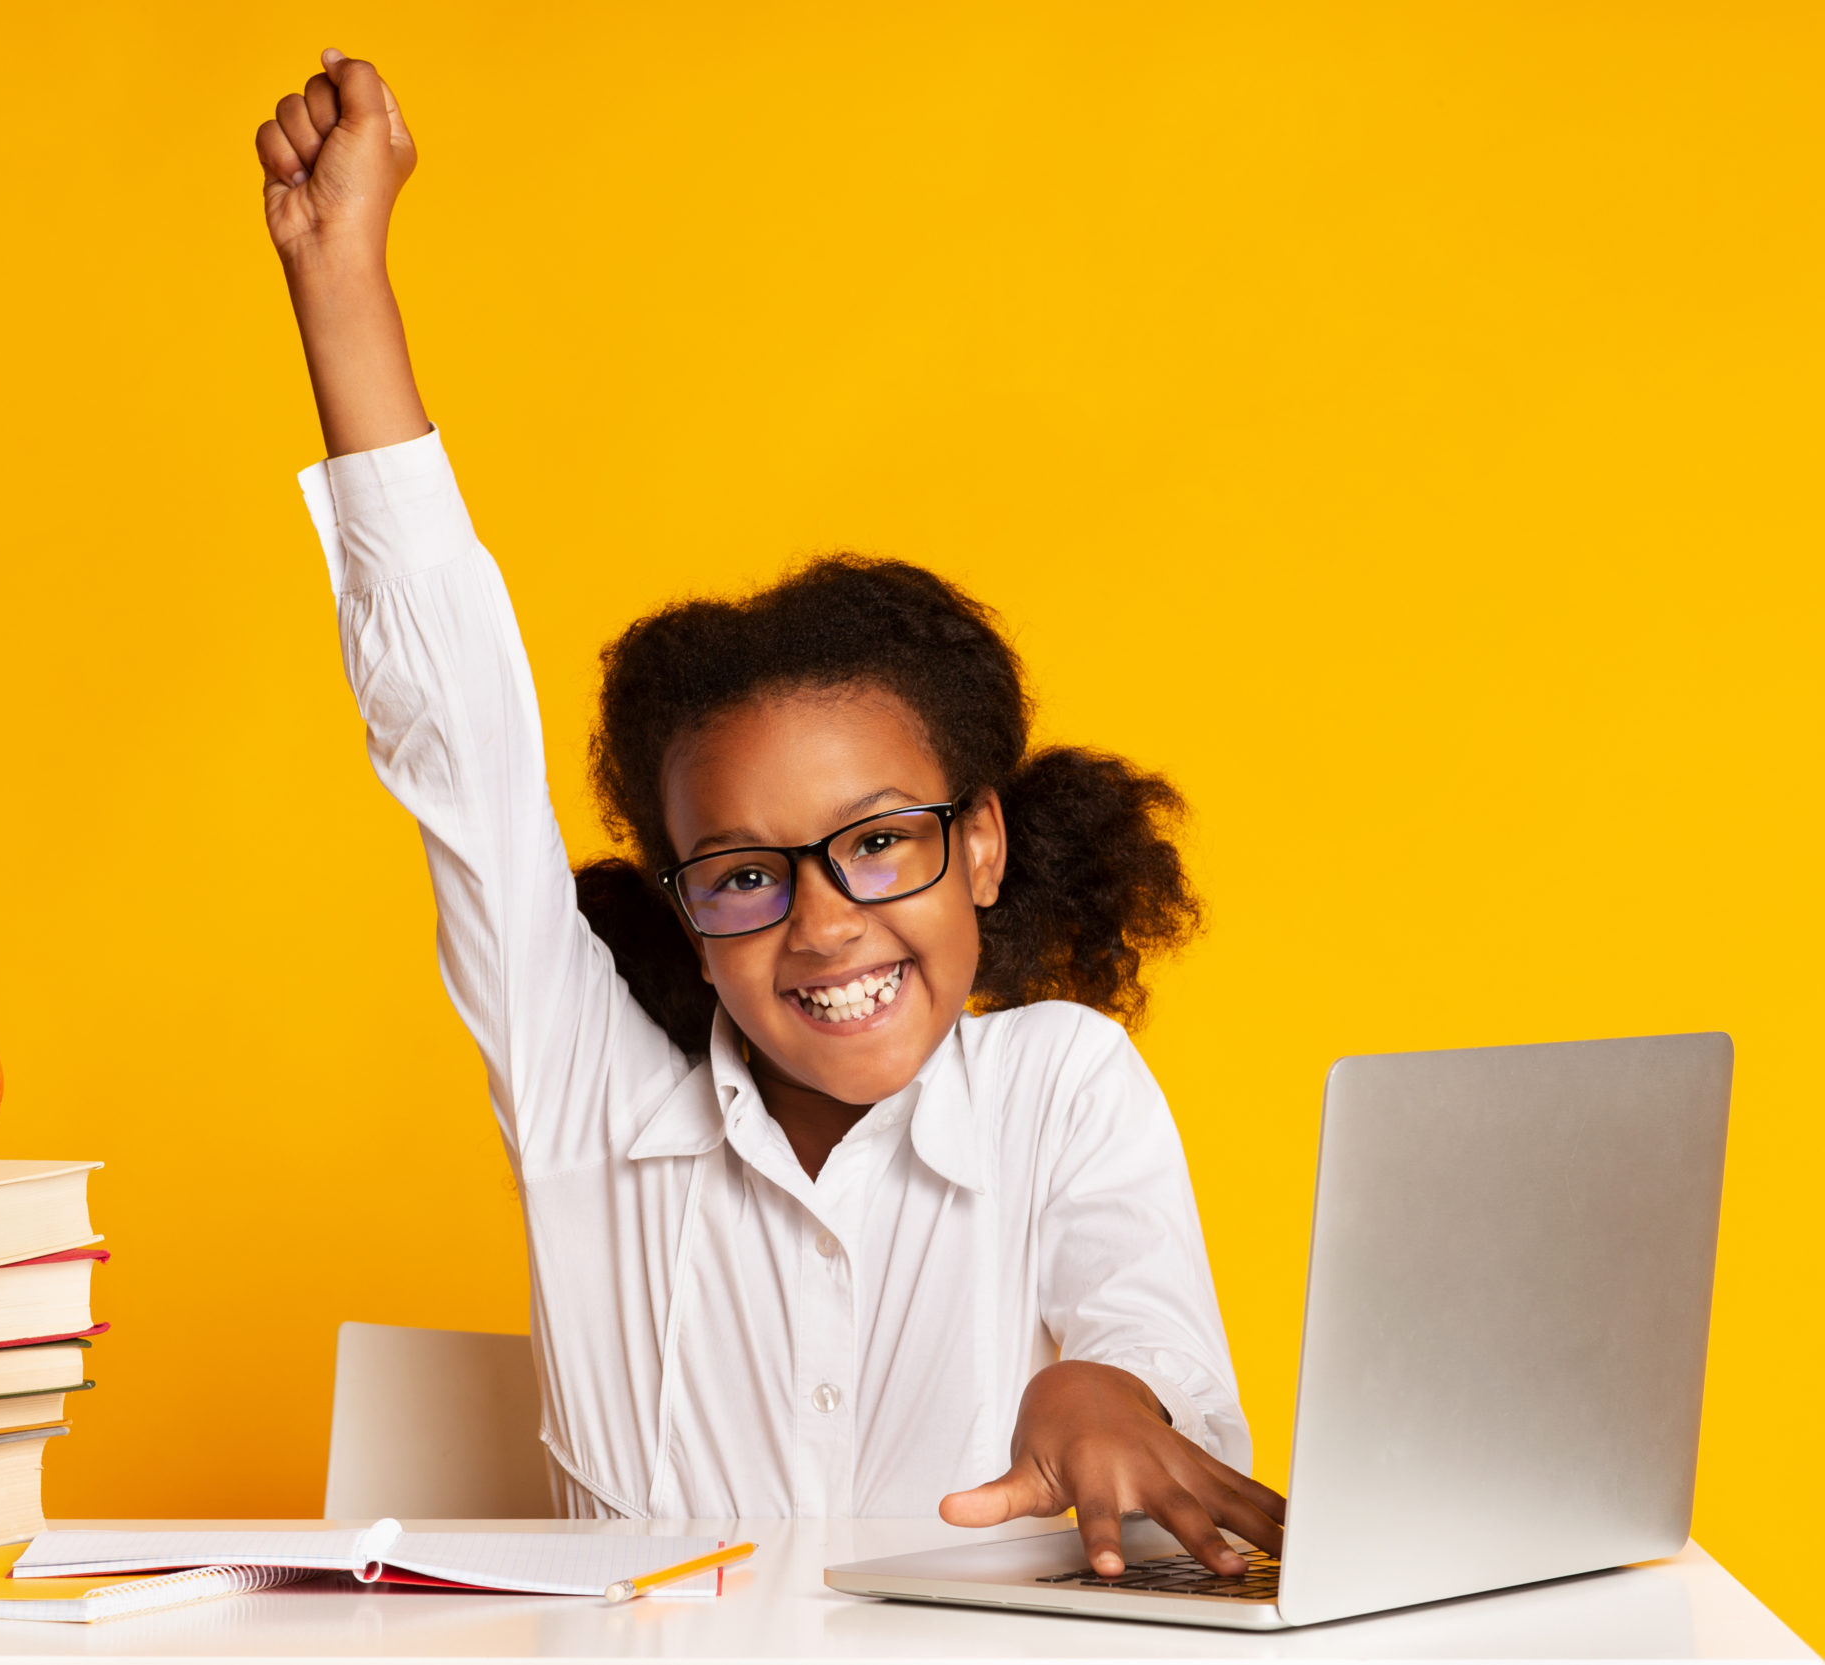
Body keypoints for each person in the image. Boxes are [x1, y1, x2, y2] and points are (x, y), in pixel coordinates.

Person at [255, 50, 1286, 1578]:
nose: (822, 921)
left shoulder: (1059, 1083)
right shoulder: (586, 1097)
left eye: (878, 843)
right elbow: (454, 745)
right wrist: (339, 278)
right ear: (684, 901)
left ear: (978, 842)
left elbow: (1154, 1359)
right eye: (744, 872)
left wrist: (1099, 1389)